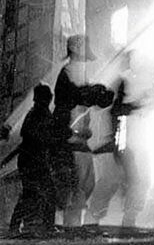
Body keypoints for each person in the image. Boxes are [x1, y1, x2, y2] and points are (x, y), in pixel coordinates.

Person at [50, 34, 114, 226]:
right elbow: (76, 95)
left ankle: (72, 227)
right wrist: (94, 92)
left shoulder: (78, 71)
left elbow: (85, 95)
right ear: (75, 49)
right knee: (75, 190)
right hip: (69, 141)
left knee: (85, 186)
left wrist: (98, 94)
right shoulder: (68, 71)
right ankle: (71, 229)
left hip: (79, 141)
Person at [86, 51, 147, 227]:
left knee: (121, 182)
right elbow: (118, 111)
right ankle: (120, 220)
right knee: (123, 181)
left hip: (117, 144)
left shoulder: (119, 87)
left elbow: (120, 109)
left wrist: (135, 105)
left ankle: (99, 218)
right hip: (117, 144)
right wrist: (135, 105)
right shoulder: (118, 87)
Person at [5, 84, 61, 234]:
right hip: (33, 160)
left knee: (35, 193)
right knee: (39, 193)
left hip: (32, 160)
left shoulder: (36, 114)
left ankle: (19, 225)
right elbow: (32, 140)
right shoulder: (38, 114)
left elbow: (27, 141)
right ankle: (41, 226)